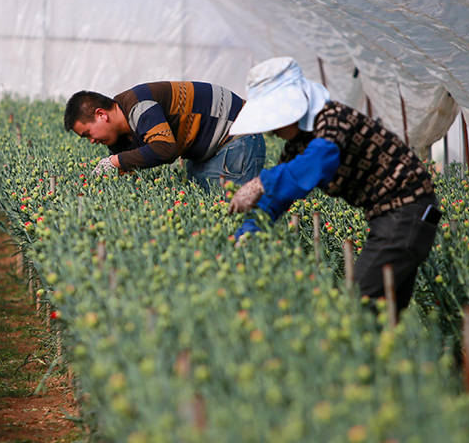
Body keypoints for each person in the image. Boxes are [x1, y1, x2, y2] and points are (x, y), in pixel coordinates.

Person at [227, 57, 440, 310]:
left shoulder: (332, 119)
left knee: (358, 306)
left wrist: (259, 182)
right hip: (393, 217)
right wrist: (245, 236)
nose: (272, 132)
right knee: (383, 313)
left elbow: (318, 163)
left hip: (407, 211)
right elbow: (276, 199)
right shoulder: (299, 144)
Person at [64, 81, 265, 190]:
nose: (91, 141)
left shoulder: (139, 105)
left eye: (88, 133)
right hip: (209, 148)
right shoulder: (121, 134)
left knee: (232, 207)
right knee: (205, 197)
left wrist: (116, 162)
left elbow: (165, 149)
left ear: (101, 115)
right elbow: (130, 163)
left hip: (236, 135)